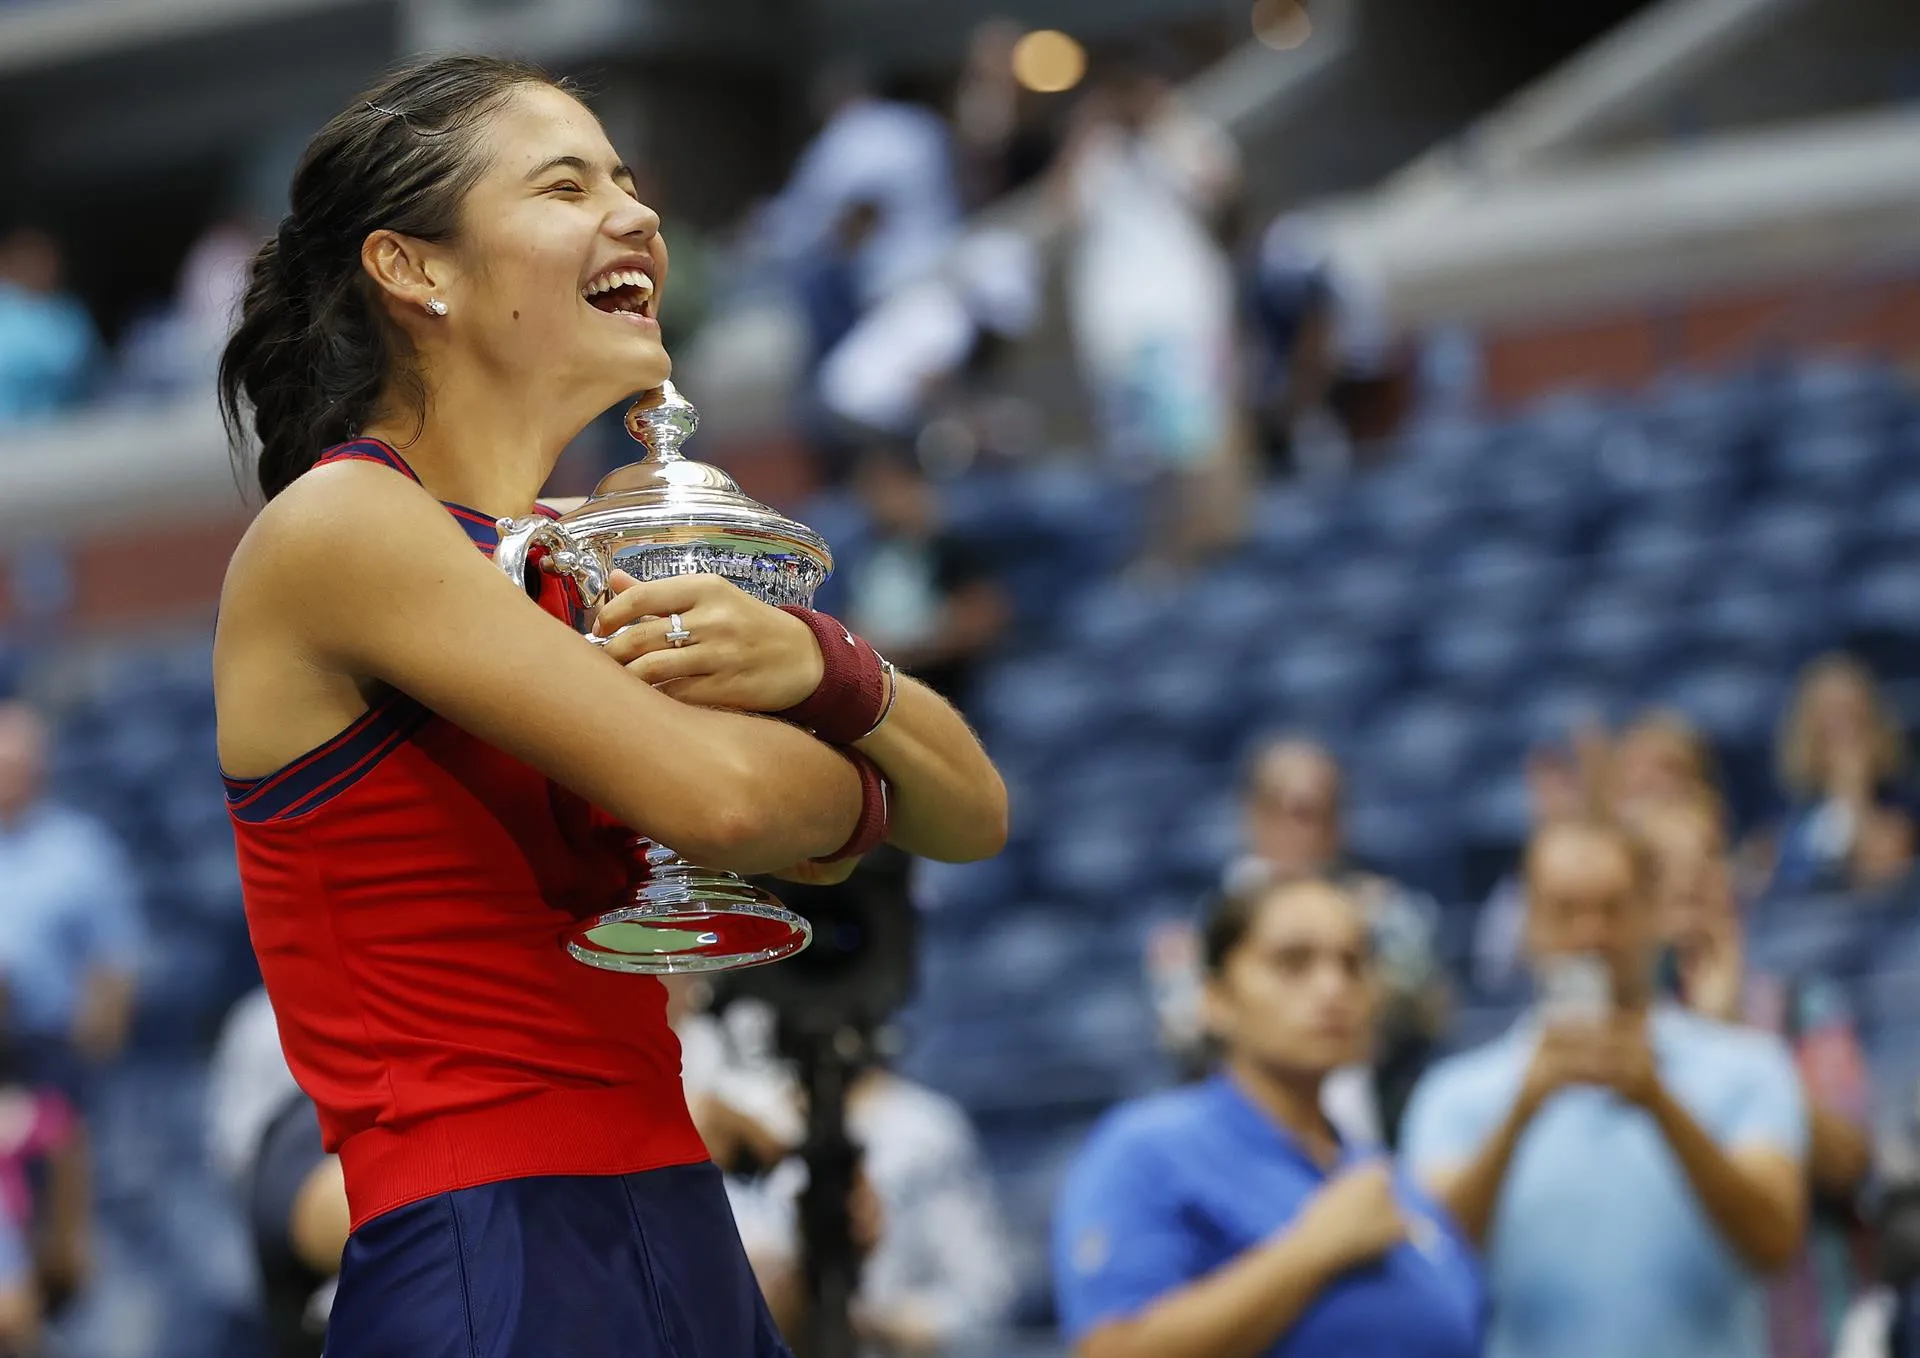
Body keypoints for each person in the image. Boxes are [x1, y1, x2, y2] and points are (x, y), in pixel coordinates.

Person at [212, 55, 1007, 1358]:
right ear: (415, 270)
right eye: (566, 183)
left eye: (628, 180)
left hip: (675, 1223)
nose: (634, 213)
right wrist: (843, 786)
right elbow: (745, 804)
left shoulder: (576, 558)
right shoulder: (346, 521)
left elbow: (973, 809)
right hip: (486, 1247)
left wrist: (814, 662)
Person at [1402, 818, 1808, 1358]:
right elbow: (1430, 1271)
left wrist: (1659, 1102)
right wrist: (1521, 1112)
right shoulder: (1455, 1094)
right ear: (1529, 925)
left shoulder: (1749, 1067)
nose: (1590, 935)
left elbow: (1775, 1242)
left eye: (1613, 908)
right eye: (1565, 910)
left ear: (1651, 914)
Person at [1054, 877, 1484, 1358]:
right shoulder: (1147, 1150)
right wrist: (1312, 1250)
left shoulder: (1383, 1177)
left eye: (1354, 963)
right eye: (1292, 962)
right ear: (1215, 998)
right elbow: (1111, 1349)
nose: (1332, 986)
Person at [1642, 795, 1875, 1358]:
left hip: (1807, 1330)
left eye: (1705, 863)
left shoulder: (1800, 1007)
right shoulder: (1623, 1040)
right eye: (1664, 869)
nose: (1690, 885)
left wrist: (1735, 1043)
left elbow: (1849, 1162)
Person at [1224, 736, 1445, 1145]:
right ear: (1255, 817)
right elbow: (1191, 1037)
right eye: (1299, 813)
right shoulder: (1221, 919)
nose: (1313, 833)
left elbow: (1431, 1011)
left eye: (1329, 814)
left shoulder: (1386, 911)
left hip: (1372, 1117)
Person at [0, 701, 143, 1088]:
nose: (7, 774)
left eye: (17, 763)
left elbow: (115, 960)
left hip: (52, 1051)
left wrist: (90, 1053)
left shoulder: (83, 849)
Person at [836, 446, 1009, 709]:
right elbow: (849, 627)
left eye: (893, 488)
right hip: (879, 691)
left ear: (919, 488)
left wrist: (908, 646)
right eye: (873, 491)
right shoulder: (861, 557)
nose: (884, 501)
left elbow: (982, 621)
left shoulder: (952, 549)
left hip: (950, 689)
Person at [1765, 654, 1916, 896]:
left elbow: (1879, 878)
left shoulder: (1903, 807)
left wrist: (1854, 793)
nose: (1841, 732)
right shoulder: (1786, 816)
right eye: (1827, 719)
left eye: (1851, 717)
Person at [0, 227, 99, 426]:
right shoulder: (6, 308)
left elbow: (75, 360)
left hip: (66, 430)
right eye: (27, 262)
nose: (39, 268)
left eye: (44, 262)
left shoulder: (69, 311)